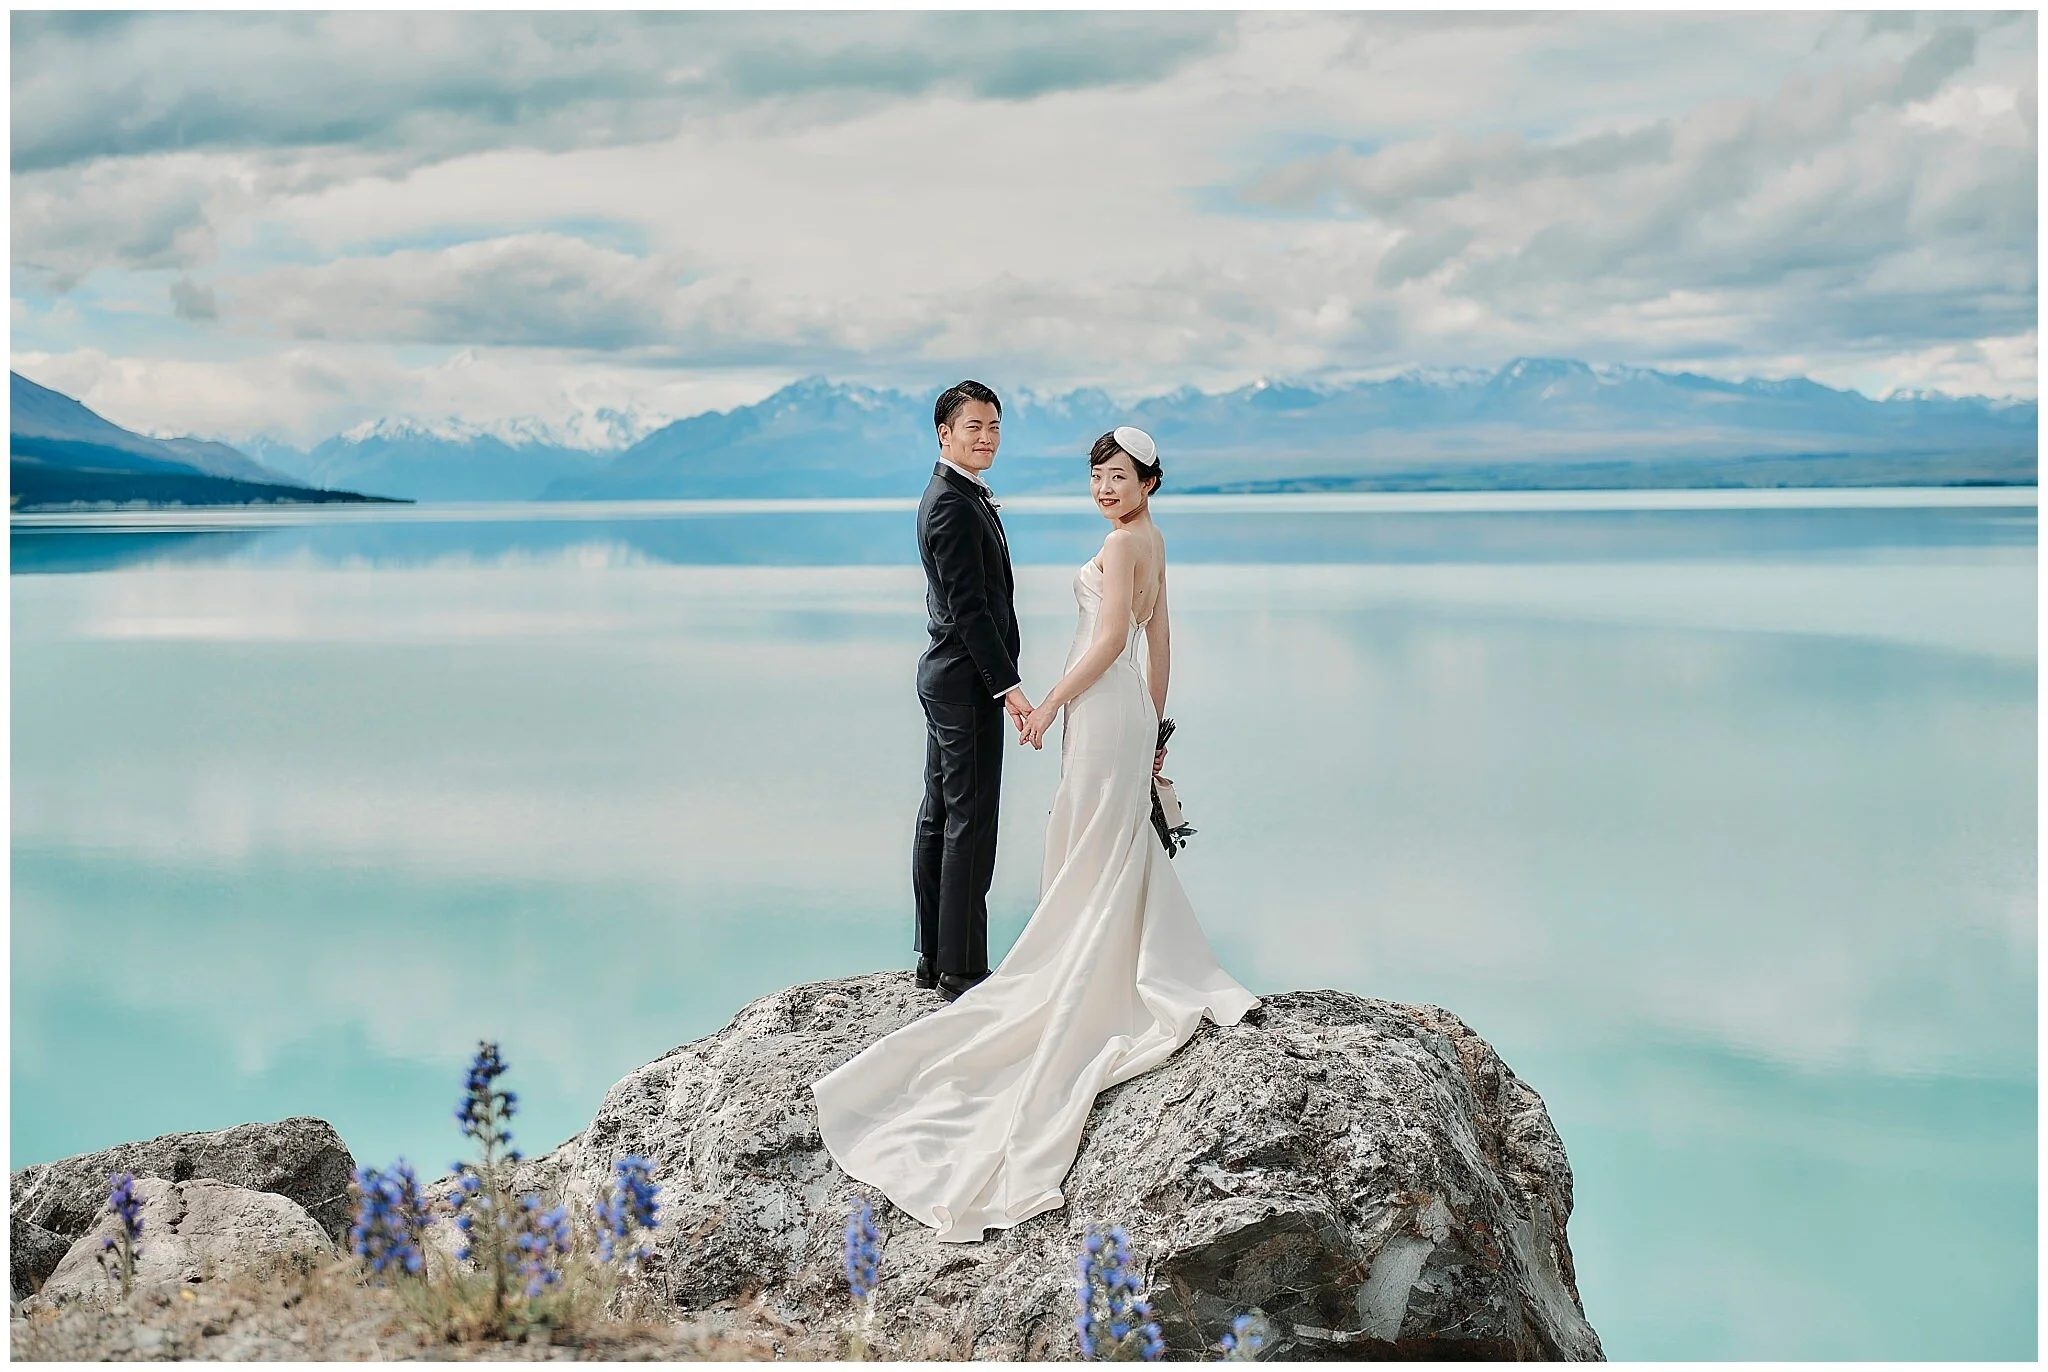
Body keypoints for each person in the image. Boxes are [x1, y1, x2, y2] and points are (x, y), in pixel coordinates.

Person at [811, 424, 1260, 1244]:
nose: (1104, 488)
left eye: (1118, 476)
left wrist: (1050, 701)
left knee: (1089, 839)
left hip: (1100, 706)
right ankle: (1109, 953)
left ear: (1148, 481)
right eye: (1096, 476)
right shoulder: (1152, 541)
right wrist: (1156, 723)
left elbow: (1116, 639)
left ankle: (1076, 964)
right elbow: (1159, 641)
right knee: (1106, 842)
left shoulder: (1122, 545)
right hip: (1125, 709)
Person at [907, 380, 1031, 1003]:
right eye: (974, 427)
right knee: (969, 823)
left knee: (941, 816)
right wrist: (1008, 687)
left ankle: (934, 956)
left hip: (949, 678)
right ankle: (961, 970)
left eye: (994, 427)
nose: (986, 438)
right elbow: (970, 611)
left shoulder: (957, 493)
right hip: (965, 684)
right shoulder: (951, 504)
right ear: (945, 433)